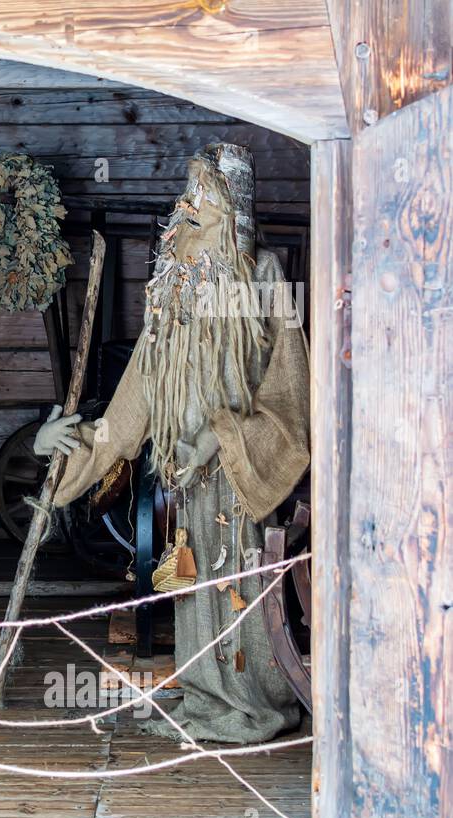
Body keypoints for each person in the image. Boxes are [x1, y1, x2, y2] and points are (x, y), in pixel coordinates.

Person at [34, 144, 309, 744]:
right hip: (186, 478)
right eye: (184, 196)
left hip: (239, 475)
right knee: (194, 592)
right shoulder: (170, 290)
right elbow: (138, 395)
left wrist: (224, 438)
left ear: (230, 210)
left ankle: (255, 701)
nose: (183, 207)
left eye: (200, 197)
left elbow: (289, 391)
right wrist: (71, 446)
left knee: (243, 586)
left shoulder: (260, 274)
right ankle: (209, 696)